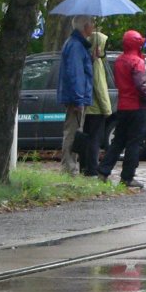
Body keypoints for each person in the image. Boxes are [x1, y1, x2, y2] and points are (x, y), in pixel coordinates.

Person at [97, 30, 146, 189]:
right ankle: (127, 177)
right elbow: (140, 85)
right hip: (138, 107)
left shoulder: (119, 60)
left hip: (123, 106)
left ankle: (103, 171)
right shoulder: (137, 62)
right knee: (134, 143)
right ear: (138, 44)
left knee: (118, 140)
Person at [56, 15, 94, 176]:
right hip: (76, 97)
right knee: (72, 133)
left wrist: (92, 58)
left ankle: (71, 167)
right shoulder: (76, 46)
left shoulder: (76, 44)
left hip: (76, 96)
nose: (93, 26)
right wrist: (79, 99)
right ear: (85, 26)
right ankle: (69, 168)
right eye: (92, 23)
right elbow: (76, 74)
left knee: (74, 132)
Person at [81, 29, 112, 177]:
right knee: (95, 139)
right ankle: (92, 169)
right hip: (96, 108)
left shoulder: (87, 59)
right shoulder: (96, 63)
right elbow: (100, 87)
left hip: (87, 106)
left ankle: (84, 166)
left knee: (86, 138)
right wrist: (107, 109)